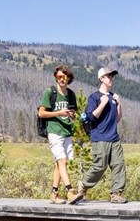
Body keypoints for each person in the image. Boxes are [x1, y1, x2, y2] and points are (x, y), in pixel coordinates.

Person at [77, 67, 127, 204]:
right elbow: (90, 118)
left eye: (112, 77)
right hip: (100, 137)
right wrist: (102, 104)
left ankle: (116, 193)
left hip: (114, 138)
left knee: (119, 165)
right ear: (101, 79)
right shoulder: (95, 97)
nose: (112, 79)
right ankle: (83, 185)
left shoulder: (113, 97)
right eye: (109, 76)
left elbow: (117, 119)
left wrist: (119, 105)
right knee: (99, 166)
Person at [39, 65, 83, 205]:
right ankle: (70, 191)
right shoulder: (50, 93)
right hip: (54, 131)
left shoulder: (70, 95)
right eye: (58, 77)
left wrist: (71, 115)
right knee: (62, 160)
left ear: (69, 78)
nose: (61, 79)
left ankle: (54, 193)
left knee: (60, 164)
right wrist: (59, 113)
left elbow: (74, 116)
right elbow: (41, 113)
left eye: (64, 77)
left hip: (66, 131)